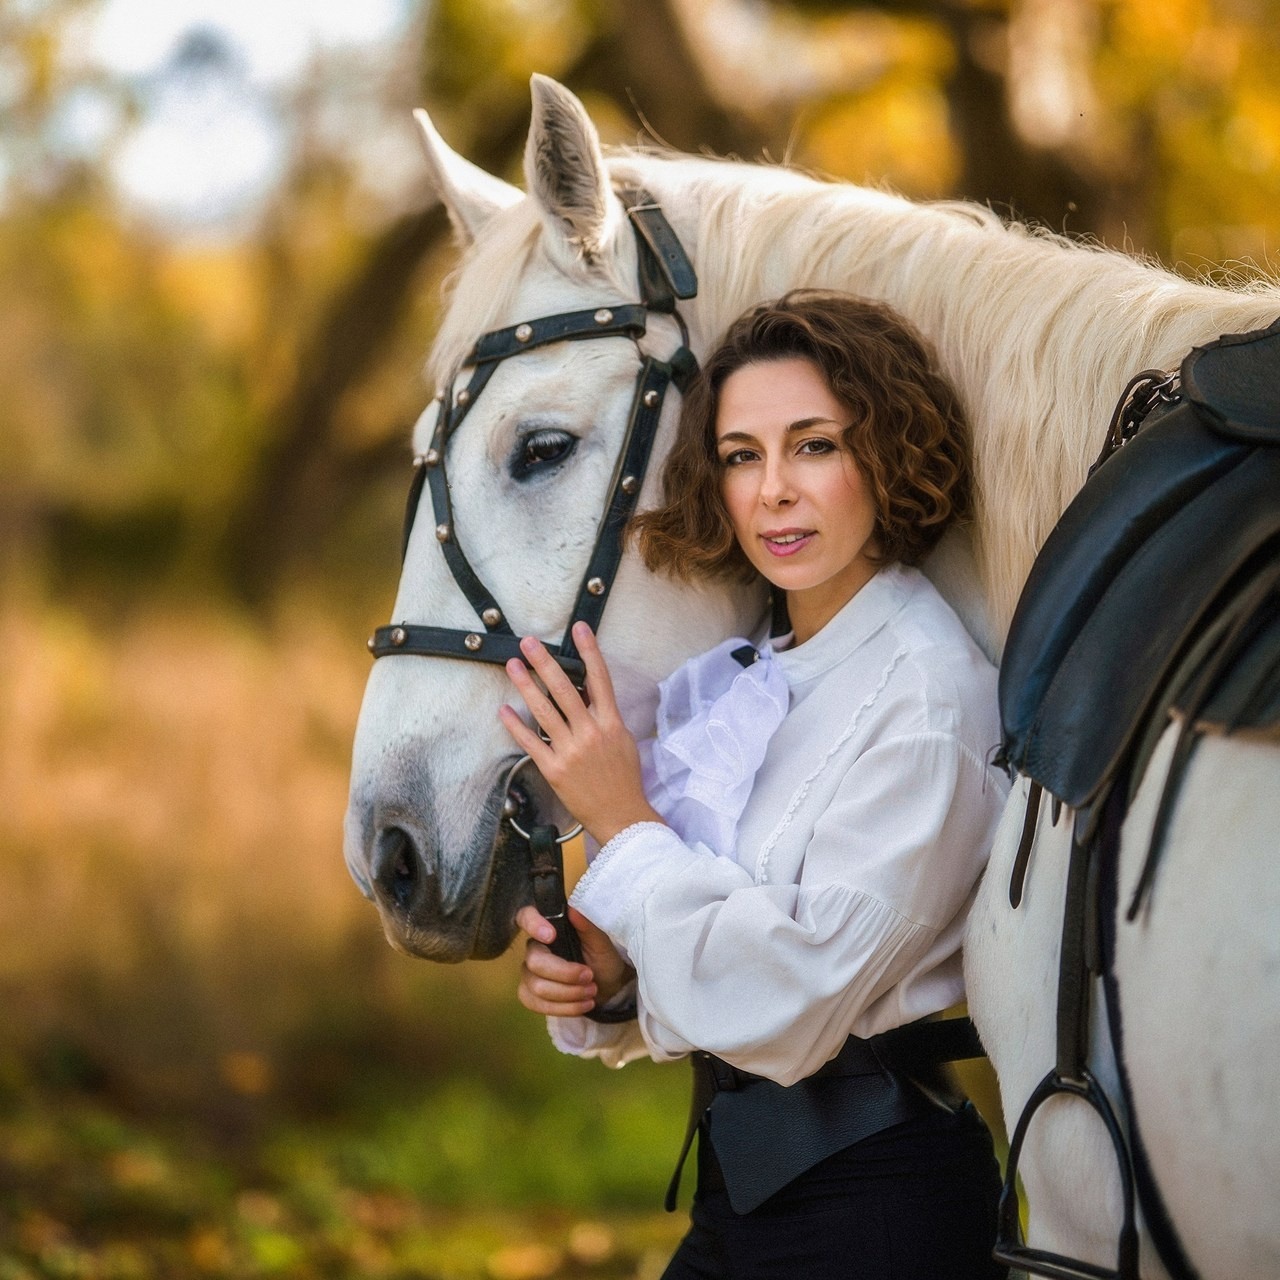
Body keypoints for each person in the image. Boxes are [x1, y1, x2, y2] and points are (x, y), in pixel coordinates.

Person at [498, 291, 1009, 1279]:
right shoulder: (746, 677)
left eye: (811, 444)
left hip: (877, 1211)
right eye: (740, 454)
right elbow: (722, 937)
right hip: (737, 1197)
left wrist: (622, 819)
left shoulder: (927, 698)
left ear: (885, 454)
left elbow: (793, 995)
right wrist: (611, 976)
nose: (772, 489)